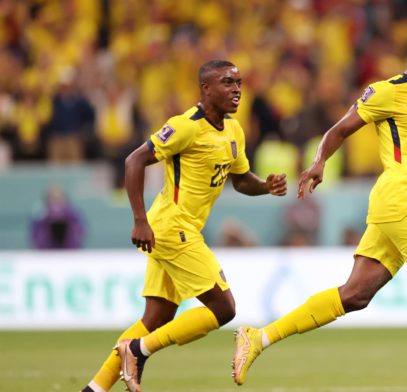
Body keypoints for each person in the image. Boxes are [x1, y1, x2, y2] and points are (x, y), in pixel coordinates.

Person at [232, 19, 407, 392]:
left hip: (402, 204)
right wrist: (318, 162)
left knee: (355, 295)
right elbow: (339, 129)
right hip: (399, 196)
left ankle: (258, 337)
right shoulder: (385, 92)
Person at [81, 60, 287, 392]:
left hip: (179, 229)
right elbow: (134, 160)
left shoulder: (234, 130)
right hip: (171, 227)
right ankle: (138, 350)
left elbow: (240, 180)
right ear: (205, 89)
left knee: (156, 318)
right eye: (226, 82)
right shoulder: (185, 126)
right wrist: (139, 220)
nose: (236, 89)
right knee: (224, 308)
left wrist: (266, 186)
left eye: (239, 82)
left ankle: (95, 388)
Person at [30, 184, 85, 249]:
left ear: (64, 198)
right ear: (47, 199)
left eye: (59, 198)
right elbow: (35, 236)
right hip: (46, 253)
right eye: (53, 198)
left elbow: (80, 233)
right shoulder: (41, 213)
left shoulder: (73, 212)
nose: (56, 201)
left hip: (69, 252)